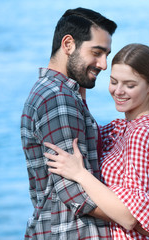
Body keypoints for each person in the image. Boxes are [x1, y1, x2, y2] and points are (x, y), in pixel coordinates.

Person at [44, 43, 149, 239]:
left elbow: (130, 216)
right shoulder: (123, 127)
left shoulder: (142, 133)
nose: (118, 91)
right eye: (114, 81)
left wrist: (79, 173)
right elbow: (88, 134)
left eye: (129, 85)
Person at [21, 7, 117, 240]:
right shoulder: (58, 98)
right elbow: (77, 195)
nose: (104, 64)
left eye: (107, 55)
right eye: (97, 52)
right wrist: (140, 216)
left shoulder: (56, 92)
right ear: (68, 44)